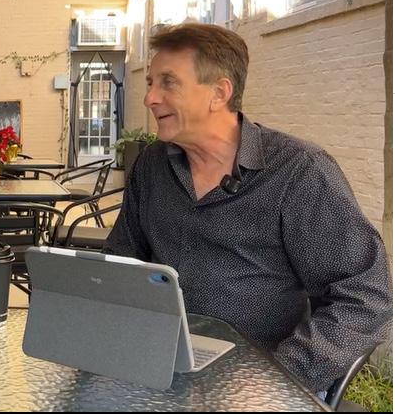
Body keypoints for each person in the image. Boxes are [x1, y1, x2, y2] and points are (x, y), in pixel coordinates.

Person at [104, 22, 392, 396]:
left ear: (219, 92)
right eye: (150, 83)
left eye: (168, 83)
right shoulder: (151, 166)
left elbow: (365, 294)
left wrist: (279, 379)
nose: (150, 98)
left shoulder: (298, 171)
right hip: (160, 367)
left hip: (260, 384)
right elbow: (121, 261)